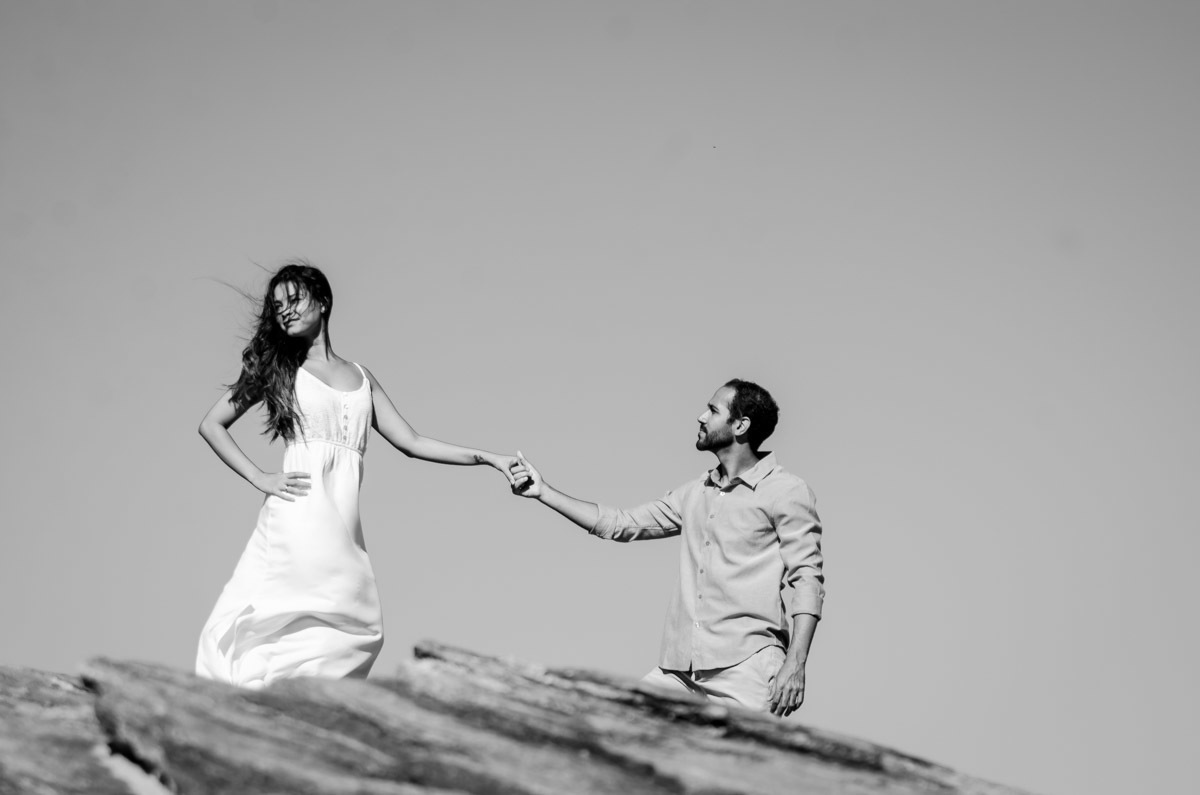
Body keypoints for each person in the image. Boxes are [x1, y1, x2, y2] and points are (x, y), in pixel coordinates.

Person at [196, 261, 521, 688]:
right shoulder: (280, 370)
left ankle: (294, 705)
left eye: (295, 300)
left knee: (355, 620)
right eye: (278, 307)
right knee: (294, 605)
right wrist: (260, 477)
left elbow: (412, 441)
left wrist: (488, 458)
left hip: (342, 523)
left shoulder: (362, 378)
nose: (286, 311)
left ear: (324, 301)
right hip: (297, 511)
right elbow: (211, 423)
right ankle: (260, 694)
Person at [510, 380, 824, 716]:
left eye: (713, 410)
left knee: (744, 767)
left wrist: (796, 663)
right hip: (679, 672)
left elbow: (807, 579)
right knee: (612, 725)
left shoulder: (785, 491)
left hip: (747, 669)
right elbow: (621, 524)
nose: (701, 417)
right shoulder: (694, 493)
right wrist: (543, 491)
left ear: (740, 425)